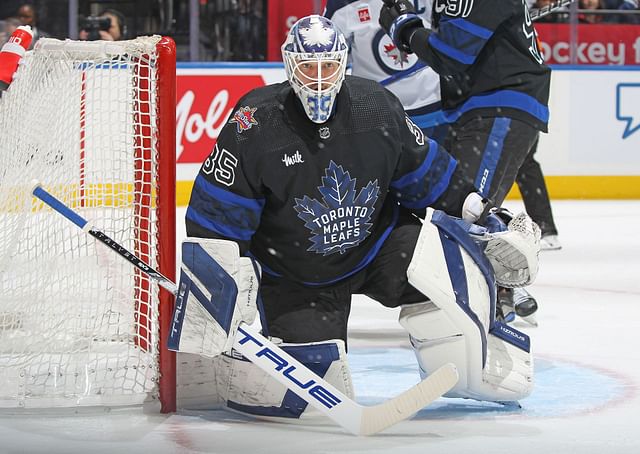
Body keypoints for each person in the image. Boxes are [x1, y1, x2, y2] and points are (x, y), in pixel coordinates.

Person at [175, 15, 537, 421]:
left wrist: (483, 214)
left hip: (378, 248)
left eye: (327, 67)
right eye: (307, 67)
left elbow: (428, 175)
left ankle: (472, 361)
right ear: (289, 65)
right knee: (315, 396)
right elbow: (215, 217)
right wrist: (222, 283)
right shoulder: (255, 123)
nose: (317, 79)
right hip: (297, 277)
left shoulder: (375, 107)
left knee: (449, 264)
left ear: (343, 64)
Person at [378, 0, 552, 324]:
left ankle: (488, 312)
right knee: (455, 213)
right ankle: (498, 294)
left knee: (462, 220)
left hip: (499, 106)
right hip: (483, 108)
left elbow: (452, 55)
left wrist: (405, 28)